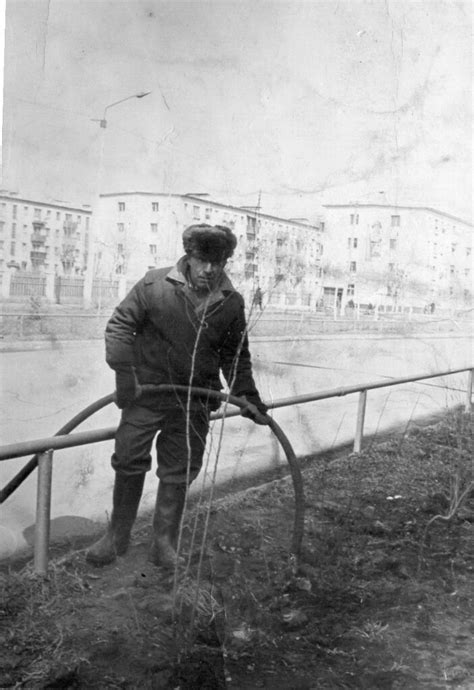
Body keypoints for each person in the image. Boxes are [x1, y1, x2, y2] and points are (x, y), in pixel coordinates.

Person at [86, 223, 268, 568]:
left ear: (226, 261)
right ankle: (116, 537)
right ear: (189, 256)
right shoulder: (155, 285)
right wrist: (125, 375)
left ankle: (164, 544)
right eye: (202, 260)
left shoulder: (230, 302)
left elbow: (235, 356)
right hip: (147, 394)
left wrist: (247, 396)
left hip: (194, 402)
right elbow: (120, 326)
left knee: (180, 469)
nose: (210, 270)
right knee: (128, 459)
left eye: (219, 262)